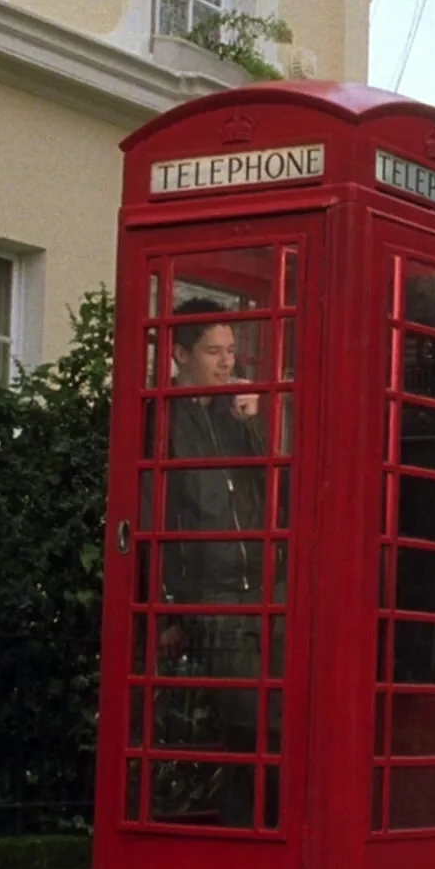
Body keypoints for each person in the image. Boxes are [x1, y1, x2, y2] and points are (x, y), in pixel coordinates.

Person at [156, 297, 271, 826]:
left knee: (283, 716)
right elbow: (150, 515)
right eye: (213, 351)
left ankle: (258, 822)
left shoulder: (234, 415)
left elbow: (274, 488)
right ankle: (238, 825)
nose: (227, 363)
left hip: (266, 587)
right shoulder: (162, 419)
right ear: (180, 353)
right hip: (213, 593)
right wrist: (167, 607)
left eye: (231, 351)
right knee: (249, 716)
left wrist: (252, 422)